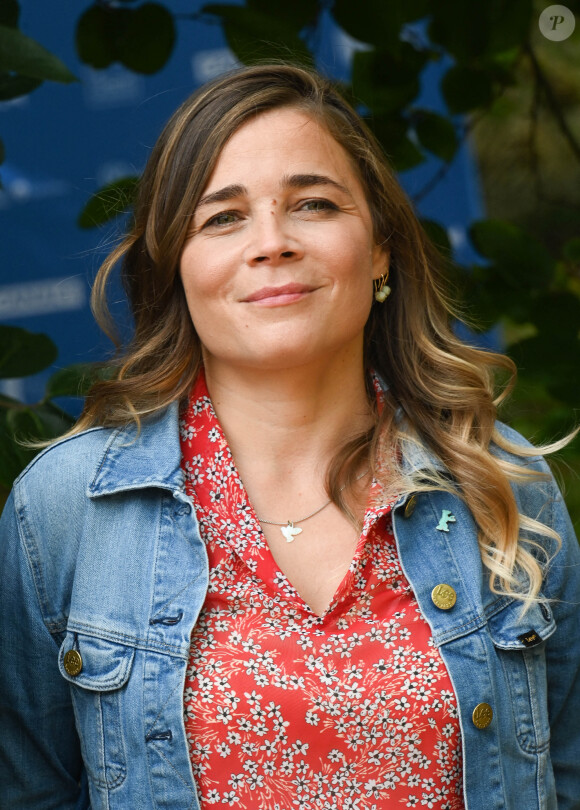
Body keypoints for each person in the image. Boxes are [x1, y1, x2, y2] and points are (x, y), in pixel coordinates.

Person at [0, 63, 578, 810]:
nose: (271, 242)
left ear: (379, 251)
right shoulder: (65, 511)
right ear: (177, 267)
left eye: (312, 203)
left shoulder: (503, 487)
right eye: (223, 217)